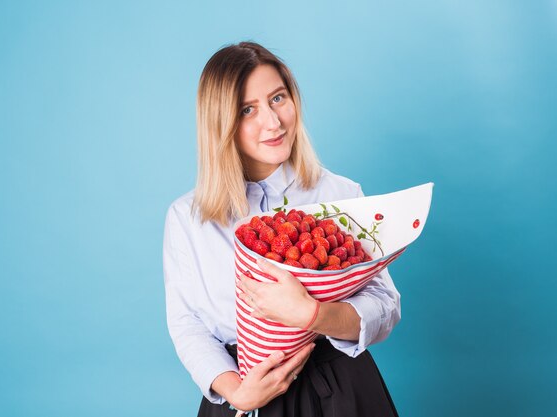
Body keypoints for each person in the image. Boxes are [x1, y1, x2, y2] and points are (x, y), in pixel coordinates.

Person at [163, 41, 401, 416]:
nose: (273, 122)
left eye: (278, 98)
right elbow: (187, 323)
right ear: (220, 122)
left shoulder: (341, 194)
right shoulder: (187, 218)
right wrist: (236, 392)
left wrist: (312, 315)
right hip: (240, 393)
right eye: (247, 110)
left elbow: (385, 306)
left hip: (338, 389)